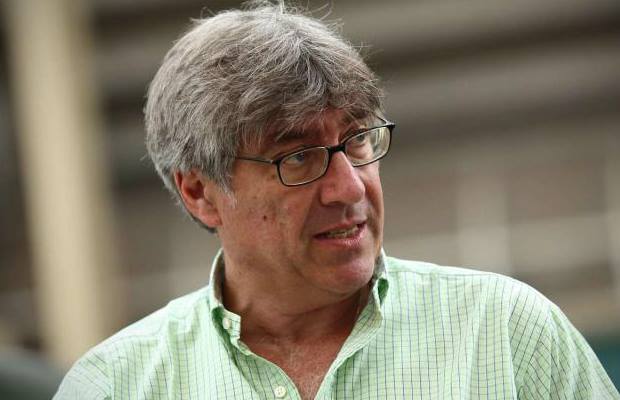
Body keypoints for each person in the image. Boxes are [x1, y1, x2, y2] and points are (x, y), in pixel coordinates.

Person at [54, 2, 619, 399]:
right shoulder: (114, 386)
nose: (350, 187)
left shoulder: (508, 335)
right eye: (298, 157)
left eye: (358, 140)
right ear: (200, 192)